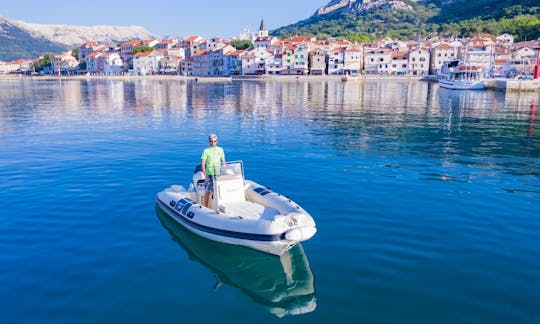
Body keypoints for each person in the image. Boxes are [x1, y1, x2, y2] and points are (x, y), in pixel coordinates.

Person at [201, 133, 226, 207]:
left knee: (219, 190)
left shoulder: (220, 149)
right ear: (209, 141)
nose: (213, 143)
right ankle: (205, 206)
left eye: (214, 141)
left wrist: (225, 171)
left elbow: (223, 162)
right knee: (208, 191)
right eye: (211, 141)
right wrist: (206, 177)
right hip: (210, 174)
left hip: (218, 174)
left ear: (217, 141)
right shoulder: (205, 151)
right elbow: (203, 165)